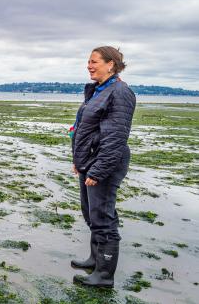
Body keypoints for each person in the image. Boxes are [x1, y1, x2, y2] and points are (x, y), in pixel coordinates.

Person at [70, 46, 136, 288]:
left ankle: (104, 276)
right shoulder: (98, 91)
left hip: (106, 164)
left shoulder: (119, 92)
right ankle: (94, 260)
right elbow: (86, 129)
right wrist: (79, 161)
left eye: (94, 61)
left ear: (111, 64)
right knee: (91, 213)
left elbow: (116, 137)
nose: (89, 65)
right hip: (90, 161)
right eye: (88, 61)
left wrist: (98, 170)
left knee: (103, 218)